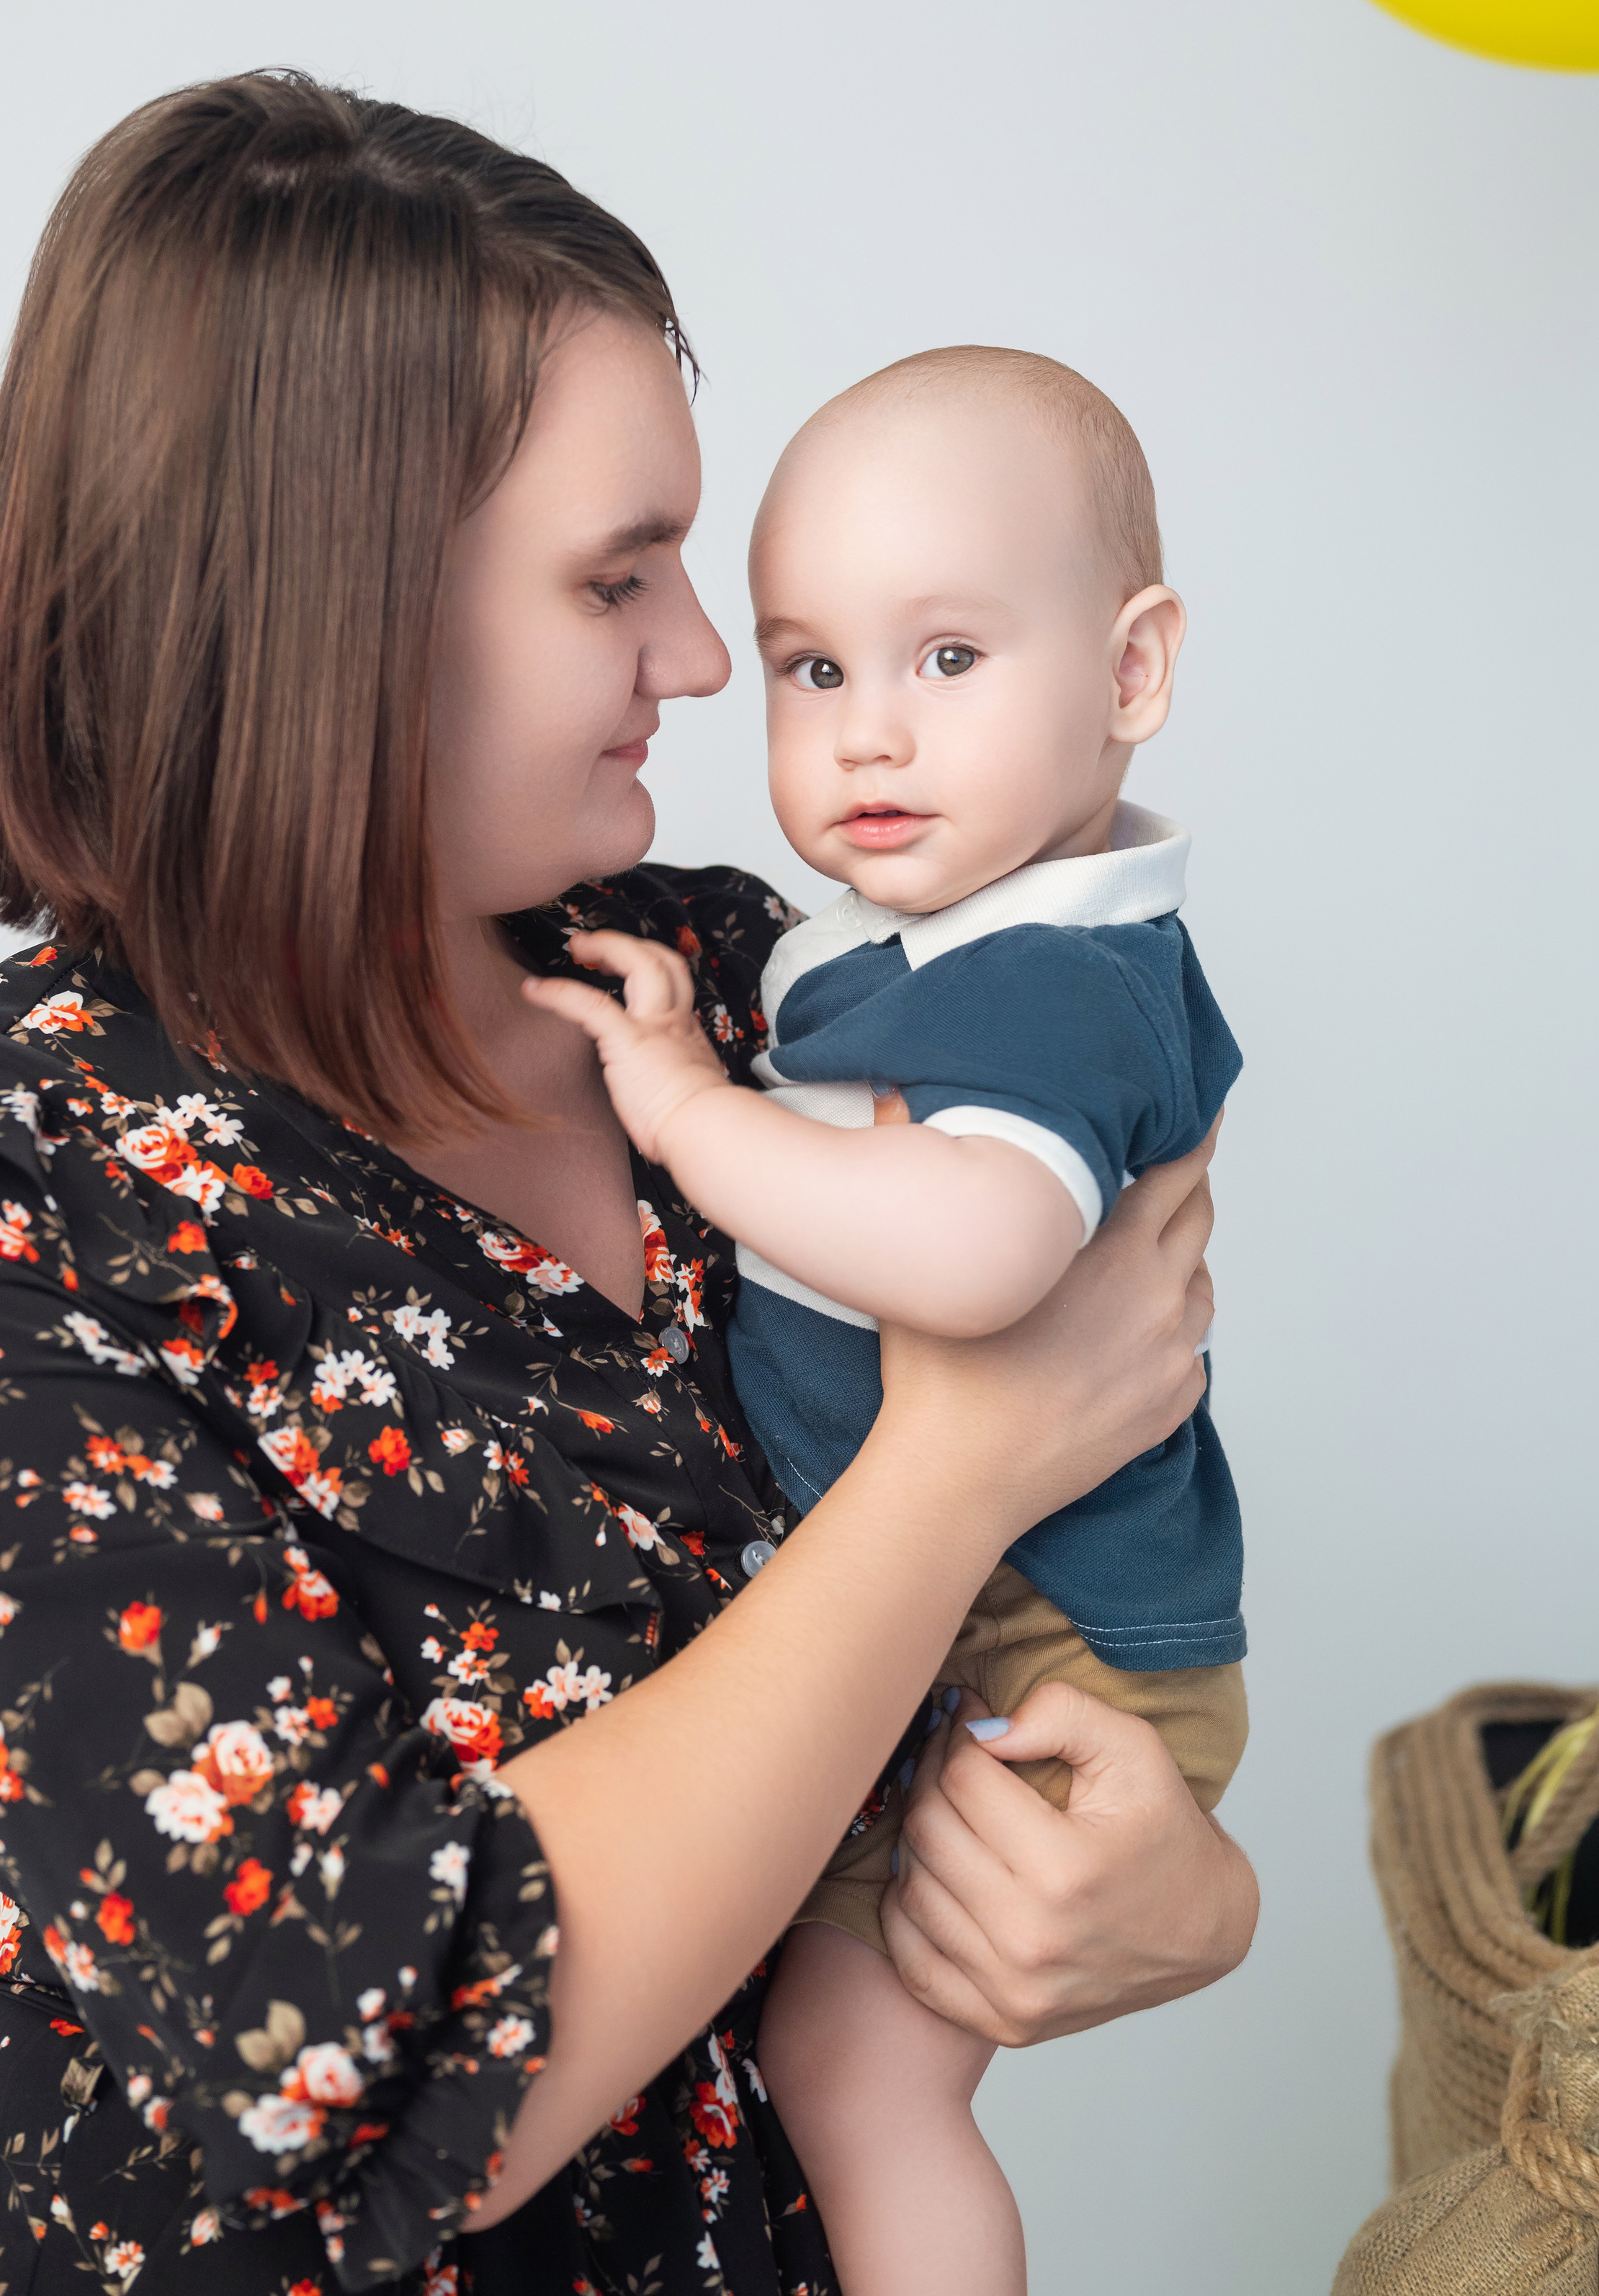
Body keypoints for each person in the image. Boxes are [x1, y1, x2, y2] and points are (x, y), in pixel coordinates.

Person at [0, 73, 1254, 2296]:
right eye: (615, 576)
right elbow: (363, 2067)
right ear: (330, 612)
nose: (703, 658)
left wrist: (1184, 1885)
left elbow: (1119, 1493)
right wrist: (947, 1473)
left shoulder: (742, 989)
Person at [529, 347, 1247, 2292]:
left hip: (1045, 1641)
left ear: (1130, 672)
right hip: (985, 1610)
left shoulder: (1046, 975)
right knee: (845, 2071)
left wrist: (687, 1111)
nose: (865, 736)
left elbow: (980, 1258)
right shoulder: (894, 947)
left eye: (945, 657)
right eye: (814, 667)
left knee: (858, 2078)